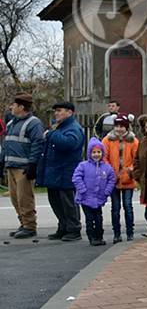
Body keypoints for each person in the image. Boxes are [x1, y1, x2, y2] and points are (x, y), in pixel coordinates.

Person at [39, 101, 85, 242]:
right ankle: (63, 227)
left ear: (69, 112)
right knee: (56, 202)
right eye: (56, 111)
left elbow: (69, 143)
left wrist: (51, 134)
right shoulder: (60, 127)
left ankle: (73, 229)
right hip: (55, 171)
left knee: (68, 202)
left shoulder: (73, 128)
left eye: (59, 110)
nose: (56, 113)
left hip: (66, 171)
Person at [2, 92, 44, 239]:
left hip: (24, 168)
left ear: (21, 106)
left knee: (24, 197)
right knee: (15, 198)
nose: (11, 107)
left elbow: (37, 144)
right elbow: (6, 144)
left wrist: (33, 164)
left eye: (13, 105)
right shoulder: (11, 123)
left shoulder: (34, 123)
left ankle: (30, 226)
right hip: (11, 166)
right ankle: (23, 222)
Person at [102, 115, 139, 243]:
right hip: (113, 179)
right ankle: (116, 234)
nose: (119, 129)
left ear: (126, 127)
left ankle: (130, 233)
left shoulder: (133, 141)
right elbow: (104, 157)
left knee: (128, 206)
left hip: (128, 179)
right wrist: (111, 172)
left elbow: (137, 158)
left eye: (122, 126)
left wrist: (130, 170)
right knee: (115, 208)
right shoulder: (107, 140)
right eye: (117, 126)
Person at [73, 138, 116, 246]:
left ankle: (99, 236)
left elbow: (111, 179)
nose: (96, 154)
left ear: (102, 153)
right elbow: (76, 178)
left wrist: (107, 191)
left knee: (98, 218)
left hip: (99, 199)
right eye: (93, 152)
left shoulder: (106, 168)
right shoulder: (83, 166)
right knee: (89, 219)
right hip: (85, 198)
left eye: (98, 152)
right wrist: (82, 189)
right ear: (89, 153)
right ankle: (92, 237)